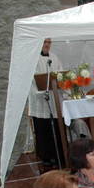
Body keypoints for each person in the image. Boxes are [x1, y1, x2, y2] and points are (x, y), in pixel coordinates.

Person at [29, 38, 64, 166]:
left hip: (54, 100)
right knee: (43, 129)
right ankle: (46, 157)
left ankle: (59, 154)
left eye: (49, 42)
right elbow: (30, 79)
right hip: (40, 102)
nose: (47, 45)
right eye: (45, 42)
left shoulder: (54, 57)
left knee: (56, 127)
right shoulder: (33, 59)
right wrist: (40, 92)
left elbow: (61, 74)